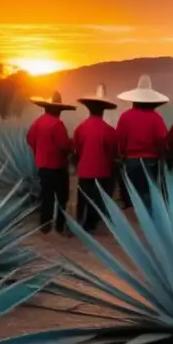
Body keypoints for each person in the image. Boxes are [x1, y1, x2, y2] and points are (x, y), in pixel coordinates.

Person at [116, 74, 169, 209]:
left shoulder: (125, 117)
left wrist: (122, 155)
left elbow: (120, 139)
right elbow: (162, 140)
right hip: (151, 161)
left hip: (131, 161)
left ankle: (134, 220)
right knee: (148, 193)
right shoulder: (156, 118)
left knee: (132, 194)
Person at [26, 91, 76, 234]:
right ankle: (60, 226)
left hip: (43, 165)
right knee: (62, 197)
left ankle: (45, 225)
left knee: (46, 196)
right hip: (58, 166)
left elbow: (29, 139)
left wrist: (39, 151)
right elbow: (64, 145)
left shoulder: (38, 122)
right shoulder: (57, 124)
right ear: (57, 110)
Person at [73, 84, 119, 233]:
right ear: (103, 111)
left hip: (84, 169)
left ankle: (80, 221)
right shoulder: (109, 130)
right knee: (97, 197)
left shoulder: (80, 128)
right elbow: (112, 152)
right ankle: (91, 224)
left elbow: (76, 149)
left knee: (83, 197)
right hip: (102, 170)